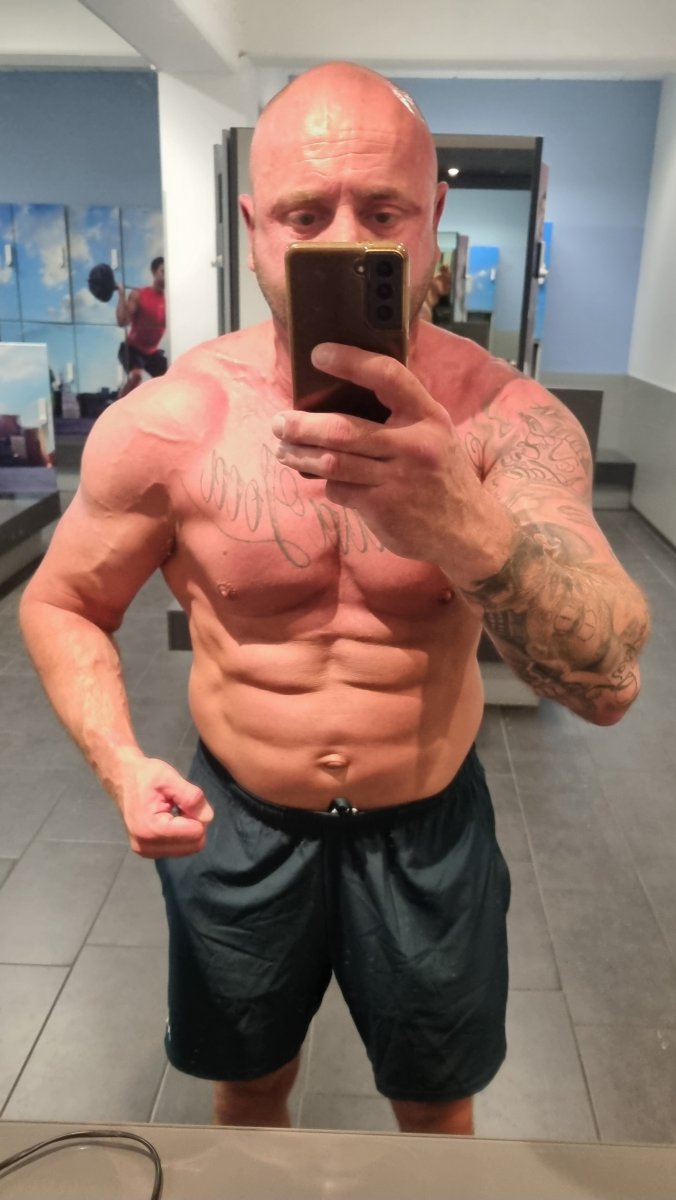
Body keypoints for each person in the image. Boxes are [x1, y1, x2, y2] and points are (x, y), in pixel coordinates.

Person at [19, 62, 650, 1137]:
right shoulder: (169, 422)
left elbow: (609, 682)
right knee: (249, 1089)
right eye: (306, 215)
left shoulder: (508, 420)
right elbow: (63, 601)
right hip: (239, 826)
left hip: (428, 830)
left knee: (435, 1110)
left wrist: (464, 527)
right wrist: (122, 764)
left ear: (433, 218)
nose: (346, 242)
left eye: (385, 212)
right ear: (253, 228)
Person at [115, 256, 167, 397]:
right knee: (136, 376)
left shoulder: (170, 300)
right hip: (132, 349)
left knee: (170, 378)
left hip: (151, 353)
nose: (166, 275)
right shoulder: (139, 295)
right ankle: (118, 408)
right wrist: (121, 295)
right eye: (163, 271)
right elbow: (122, 321)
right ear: (154, 272)